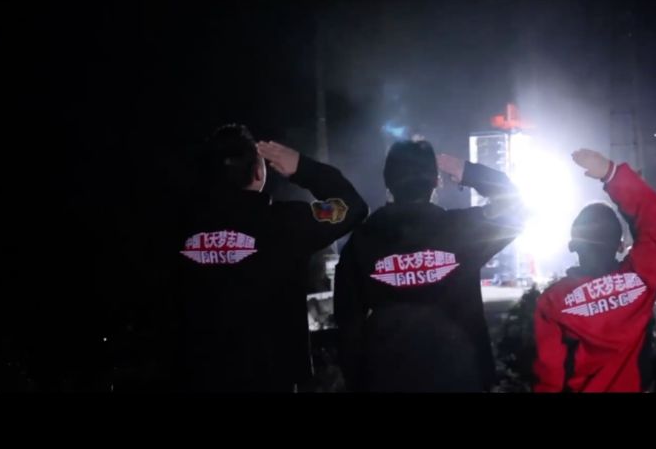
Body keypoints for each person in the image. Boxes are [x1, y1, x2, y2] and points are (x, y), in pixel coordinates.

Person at [169, 124, 368, 392]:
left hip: (193, 375)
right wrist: (303, 167)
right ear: (258, 171)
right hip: (272, 376)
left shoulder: (175, 224)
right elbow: (351, 207)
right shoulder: (288, 222)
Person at [334, 139, 524, 392]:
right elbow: (517, 209)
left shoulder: (363, 239)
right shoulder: (462, 230)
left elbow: (348, 322)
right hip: (461, 376)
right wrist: (468, 172)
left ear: (388, 182)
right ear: (436, 181)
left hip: (387, 378)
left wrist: (358, 381)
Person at [533, 149, 656, 392]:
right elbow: (655, 215)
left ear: (572, 245)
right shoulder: (641, 278)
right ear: (620, 245)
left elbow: (550, 379)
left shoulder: (552, 302)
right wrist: (612, 174)